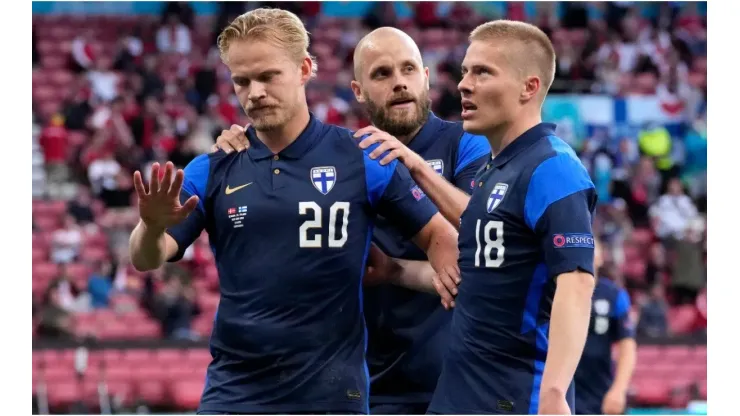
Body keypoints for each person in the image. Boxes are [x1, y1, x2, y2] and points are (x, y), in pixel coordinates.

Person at [128, 8, 460, 415]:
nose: (254, 93)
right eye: (242, 81)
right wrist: (151, 225)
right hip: (235, 395)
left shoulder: (363, 159)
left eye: (268, 76)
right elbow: (146, 257)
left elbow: (440, 237)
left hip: (333, 396)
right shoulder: (213, 167)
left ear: (304, 69)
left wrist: (459, 303)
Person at [213, 26, 490, 415]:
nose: (399, 83)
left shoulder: (466, 144)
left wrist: (414, 169)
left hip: (450, 377)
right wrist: (247, 147)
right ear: (358, 91)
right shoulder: (345, 158)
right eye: (382, 74)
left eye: (408, 69)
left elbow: (484, 241)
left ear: (425, 78)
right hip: (356, 380)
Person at [357, 20, 597, 414]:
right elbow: (476, 274)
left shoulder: (554, 167)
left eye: (483, 72)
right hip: (463, 392)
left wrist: (554, 392)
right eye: (466, 71)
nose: (465, 84)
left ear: (529, 87)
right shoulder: (495, 170)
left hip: (517, 394)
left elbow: (576, 283)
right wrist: (395, 270)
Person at [574, 239, 636, 415]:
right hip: (563, 389)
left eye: (592, 249)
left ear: (601, 257)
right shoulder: (555, 290)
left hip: (599, 391)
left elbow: (628, 347)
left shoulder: (614, 295)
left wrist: (619, 389)